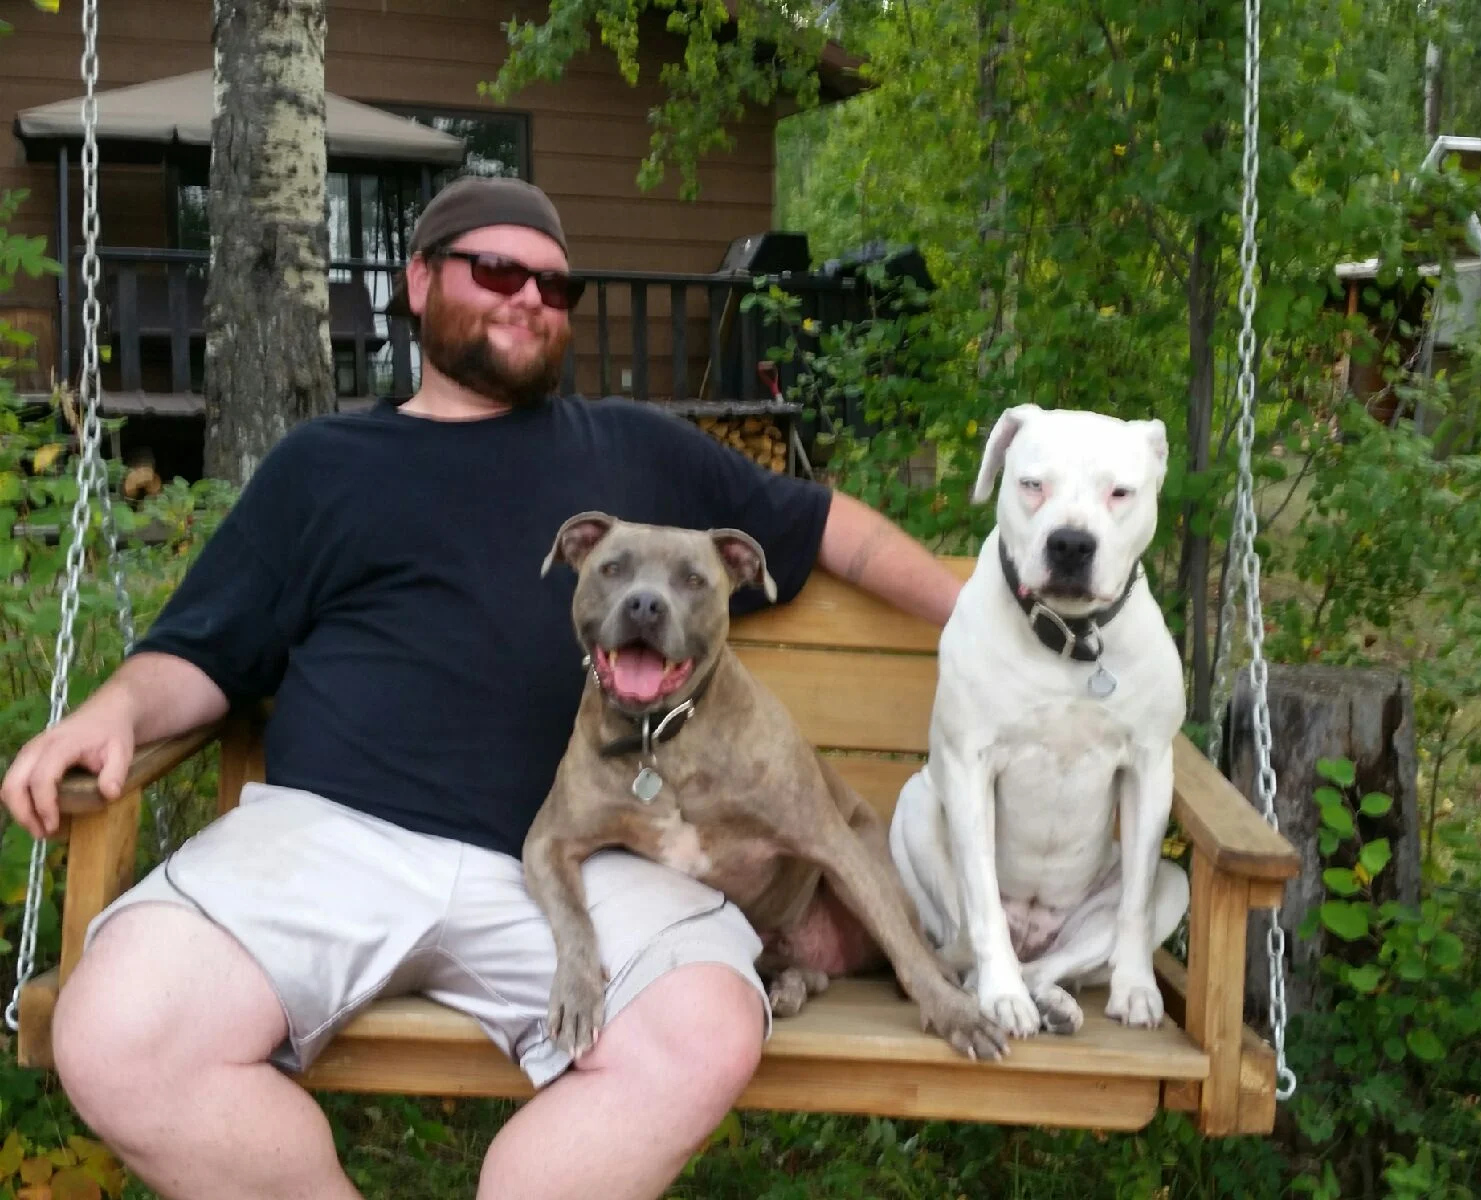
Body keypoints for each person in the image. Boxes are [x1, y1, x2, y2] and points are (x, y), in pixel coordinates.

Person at [1, 176, 964, 1200]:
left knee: (702, 1032)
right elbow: (200, 652)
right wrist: (114, 710)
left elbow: (829, 527)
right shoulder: (324, 464)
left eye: (557, 286)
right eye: (499, 272)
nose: (532, 299)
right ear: (420, 282)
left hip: (587, 859)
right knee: (118, 1035)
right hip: (331, 842)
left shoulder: (633, 447)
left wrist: (991, 621)